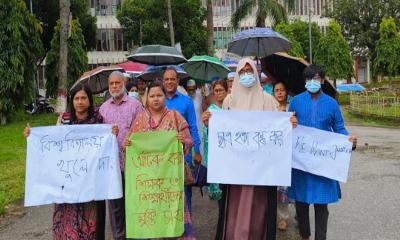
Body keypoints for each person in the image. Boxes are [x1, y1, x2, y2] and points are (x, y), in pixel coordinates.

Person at [203, 58, 297, 240]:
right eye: (242, 72)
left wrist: (289, 123)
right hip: (235, 169)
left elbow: (278, 129)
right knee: (235, 206)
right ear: (237, 75)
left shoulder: (268, 99)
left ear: (256, 73)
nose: (246, 75)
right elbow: (223, 132)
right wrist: (210, 124)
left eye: (249, 71)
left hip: (261, 170)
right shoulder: (230, 100)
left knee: (259, 205)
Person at [23, 83, 118, 240]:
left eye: (83, 98)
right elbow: (51, 144)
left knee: (91, 225)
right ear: (71, 101)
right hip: (66, 185)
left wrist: (112, 133)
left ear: (89, 100)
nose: (80, 102)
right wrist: (31, 135)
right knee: (66, 226)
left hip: (91, 185)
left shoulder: (99, 120)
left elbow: (105, 147)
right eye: (76, 98)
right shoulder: (64, 120)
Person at [287, 64, 357, 240]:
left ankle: (321, 237)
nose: (313, 82)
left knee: (321, 205)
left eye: (316, 78)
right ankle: (304, 235)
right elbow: (286, 127)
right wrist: (290, 123)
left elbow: (339, 128)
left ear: (323, 80)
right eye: (309, 79)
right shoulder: (295, 102)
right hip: (301, 163)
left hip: (322, 164)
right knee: (301, 203)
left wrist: (349, 140)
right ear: (305, 81)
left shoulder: (331, 104)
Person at [125, 81, 196, 239]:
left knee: (172, 217)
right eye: (152, 96)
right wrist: (128, 144)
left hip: (170, 182)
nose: (156, 99)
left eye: (159, 95)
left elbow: (189, 140)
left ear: (165, 97)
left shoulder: (175, 116)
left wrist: (183, 141)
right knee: (151, 218)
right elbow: (129, 145)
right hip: (147, 185)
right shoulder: (139, 119)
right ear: (146, 98)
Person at [99, 71, 144, 240]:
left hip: (132, 165)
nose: (115, 86)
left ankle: (136, 236)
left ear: (124, 83)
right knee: (115, 207)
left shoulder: (135, 105)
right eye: (111, 84)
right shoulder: (103, 108)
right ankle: (119, 237)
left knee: (134, 203)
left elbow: (142, 130)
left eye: (118, 83)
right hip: (112, 167)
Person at [162, 67, 202, 213]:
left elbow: (193, 127)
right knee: (165, 196)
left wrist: (197, 150)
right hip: (162, 158)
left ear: (178, 81)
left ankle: (187, 231)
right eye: (166, 79)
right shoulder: (157, 101)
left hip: (183, 156)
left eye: (172, 79)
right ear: (162, 81)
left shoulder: (186, 101)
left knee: (185, 196)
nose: (169, 82)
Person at [273, 81, 291, 231]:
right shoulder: (269, 109)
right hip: (273, 154)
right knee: (277, 187)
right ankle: (280, 217)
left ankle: (289, 215)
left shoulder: (293, 110)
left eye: (282, 90)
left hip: (290, 153)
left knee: (289, 185)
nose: (279, 93)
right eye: (277, 90)